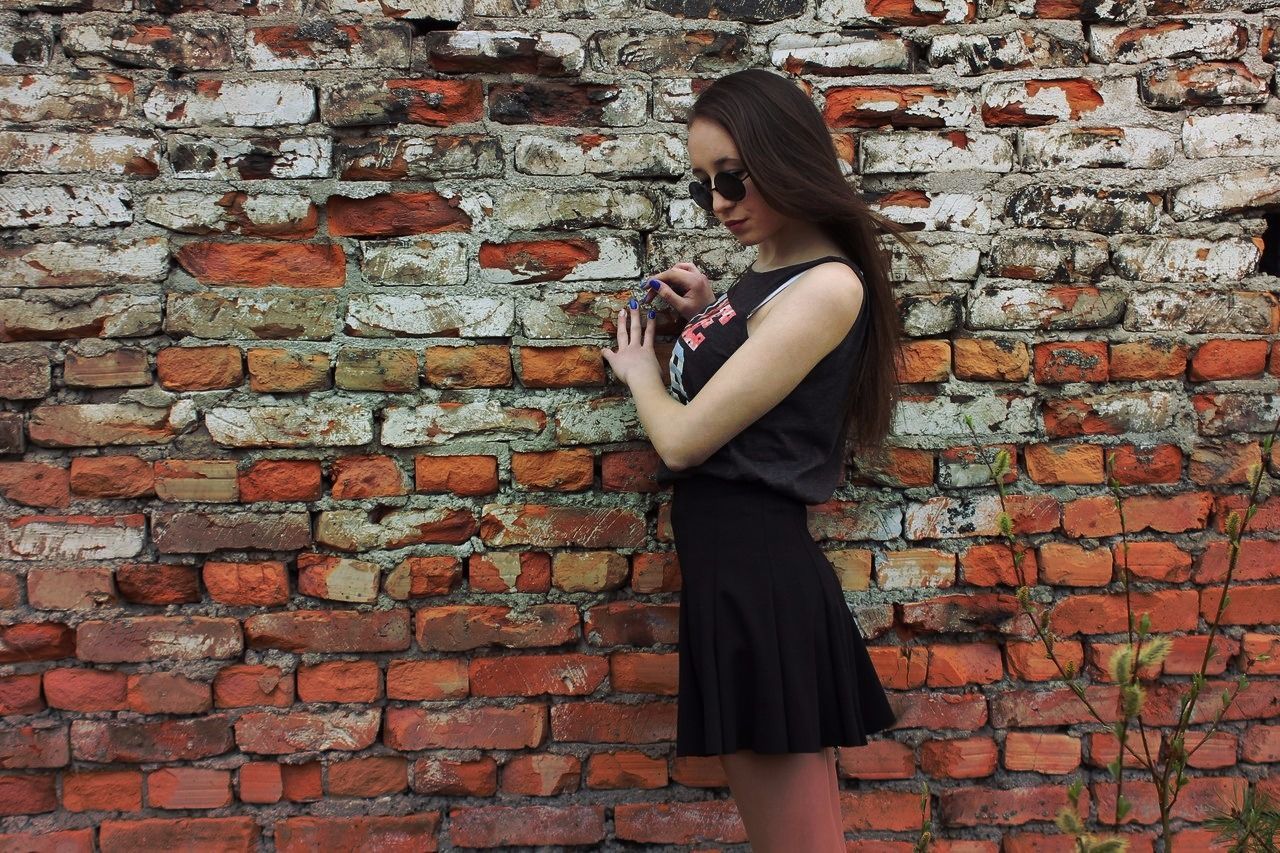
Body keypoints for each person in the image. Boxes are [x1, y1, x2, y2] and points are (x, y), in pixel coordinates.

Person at [600, 68, 931, 851]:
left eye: (734, 178)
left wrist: (643, 372)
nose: (719, 202)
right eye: (705, 185)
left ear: (785, 159)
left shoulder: (825, 287)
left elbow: (684, 441)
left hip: (758, 577)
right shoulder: (767, 278)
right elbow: (752, 374)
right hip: (737, 575)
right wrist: (703, 316)